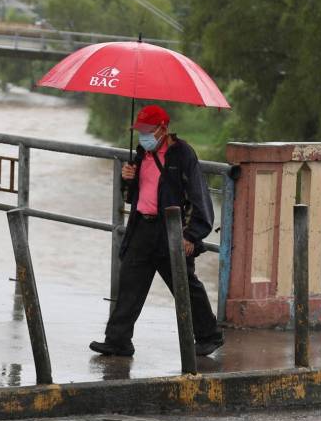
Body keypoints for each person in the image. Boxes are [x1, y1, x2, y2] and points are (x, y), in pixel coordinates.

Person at [90, 104, 224, 357]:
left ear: (163, 128)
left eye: (147, 130)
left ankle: (209, 335)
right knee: (130, 283)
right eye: (140, 130)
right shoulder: (142, 153)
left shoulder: (183, 154)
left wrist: (190, 235)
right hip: (142, 227)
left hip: (171, 231)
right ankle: (118, 340)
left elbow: (199, 199)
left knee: (184, 285)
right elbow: (132, 197)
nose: (143, 135)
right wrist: (127, 179)